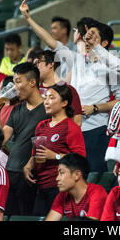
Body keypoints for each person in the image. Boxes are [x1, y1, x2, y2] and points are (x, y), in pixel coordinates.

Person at [20, 0, 120, 173]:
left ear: (105, 43)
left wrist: (95, 108)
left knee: (93, 175)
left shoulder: (110, 66)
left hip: (97, 129)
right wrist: (28, 18)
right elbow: (51, 42)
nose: (88, 39)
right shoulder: (76, 59)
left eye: (94, 36)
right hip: (72, 128)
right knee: (72, 175)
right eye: (87, 35)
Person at [0, 62, 48, 216]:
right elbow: (0, 139)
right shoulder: (17, 109)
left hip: (30, 175)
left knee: (26, 216)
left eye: (18, 82)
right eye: (14, 82)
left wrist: (32, 163)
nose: (14, 88)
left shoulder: (48, 109)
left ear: (32, 82)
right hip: (10, 172)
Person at [23, 84, 86, 216]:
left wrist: (55, 156)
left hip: (59, 188)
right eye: (45, 97)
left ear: (64, 102)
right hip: (40, 186)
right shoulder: (41, 125)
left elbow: (80, 159)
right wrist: (29, 164)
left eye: (51, 98)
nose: (46, 102)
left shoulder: (71, 127)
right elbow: (36, 153)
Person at [45, 153, 107, 221]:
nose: (57, 178)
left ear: (77, 175)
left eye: (62, 173)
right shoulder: (62, 196)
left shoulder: (97, 192)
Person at [34, 50, 82, 127]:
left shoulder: (68, 90)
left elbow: (77, 121)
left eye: (39, 62)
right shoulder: (33, 90)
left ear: (51, 64)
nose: (36, 66)